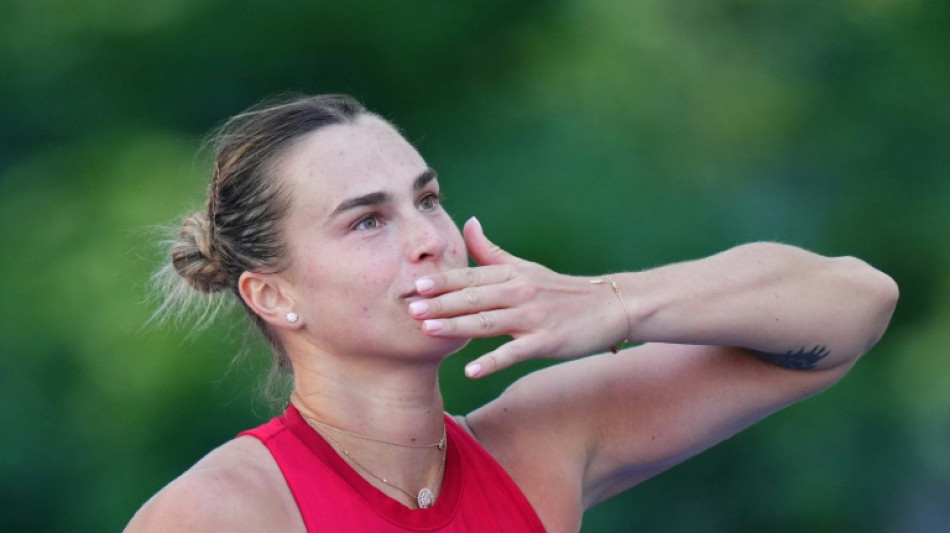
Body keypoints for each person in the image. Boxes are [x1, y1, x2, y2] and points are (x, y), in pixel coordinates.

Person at [125, 94, 898, 532]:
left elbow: (856, 304)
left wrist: (614, 302)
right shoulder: (224, 512)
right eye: (368, 220)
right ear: (274, 294)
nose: (429, 239)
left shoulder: (539, 446)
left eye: (427, 199)